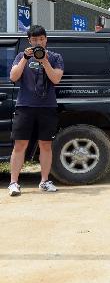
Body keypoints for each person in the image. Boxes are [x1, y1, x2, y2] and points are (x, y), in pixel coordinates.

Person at [8, 25, 65, 196]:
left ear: (45, 39)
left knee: (45, 145)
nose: (38, 42)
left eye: (41, 39)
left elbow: (56, 79)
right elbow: (13, 77)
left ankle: (44, 181)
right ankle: (13, 182)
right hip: (25, 106)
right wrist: (25, 58)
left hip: (47, 107)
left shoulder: (55, 57)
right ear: (29, 41)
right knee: (20, 144)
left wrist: (45, 61)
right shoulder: (20, 56)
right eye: (34, 40)